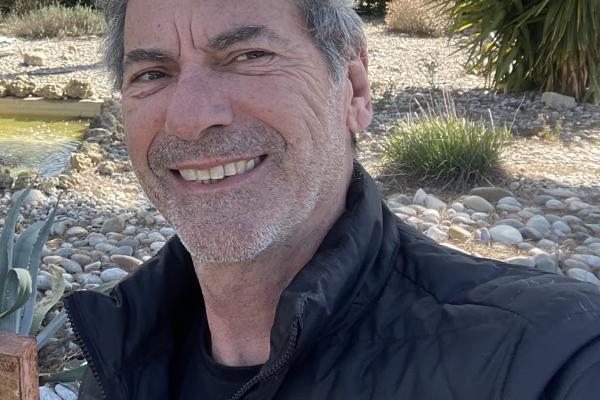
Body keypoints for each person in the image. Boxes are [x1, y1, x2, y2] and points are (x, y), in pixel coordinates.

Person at [65, 0, 600, 398]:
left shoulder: (549, 358)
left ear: (354, 89)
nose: (189, 118)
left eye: (249, 55)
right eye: (152, 74)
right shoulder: (121, 351)